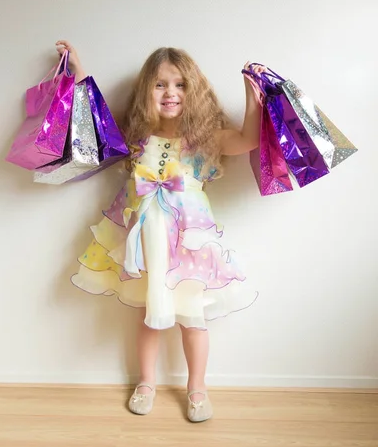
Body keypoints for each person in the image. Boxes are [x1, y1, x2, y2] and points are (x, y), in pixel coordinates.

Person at [56, 40, 261, 422]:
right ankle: (146, 381)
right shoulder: (136, 135)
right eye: (160, 84)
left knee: (192, 316)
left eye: (180, 85)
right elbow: (96, 125)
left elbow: (249, 140)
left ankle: (197, 387)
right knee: (149, 313)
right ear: (146, 91)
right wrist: (78, 73)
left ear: (193, 91)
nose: (171, 93)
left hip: (189, 242)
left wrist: (253, 95)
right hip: (145, 240)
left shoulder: (205, 138)